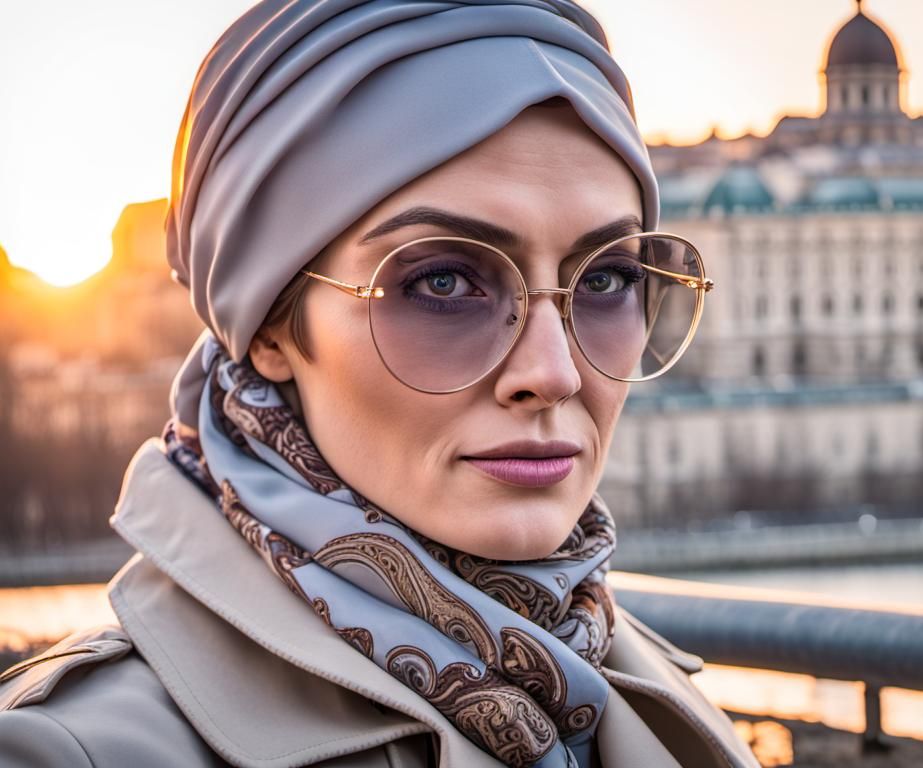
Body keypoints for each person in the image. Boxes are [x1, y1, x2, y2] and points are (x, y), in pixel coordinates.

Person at [0, 2, 759, 766]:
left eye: (606, 278)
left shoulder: (663, 699)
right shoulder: (67, 752)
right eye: (442, 283)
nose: (554, 373)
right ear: (269, 329)